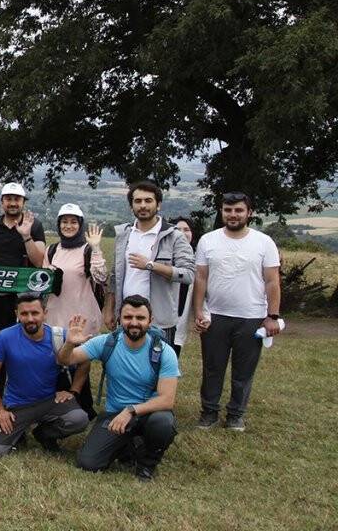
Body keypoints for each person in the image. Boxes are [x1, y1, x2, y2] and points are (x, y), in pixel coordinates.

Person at [59, 297, 180, 481]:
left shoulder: (163, 351)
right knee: (88, 463)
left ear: (150, 321)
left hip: (147, 414)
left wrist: (131, 411)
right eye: (128, 317)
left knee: (163, 422)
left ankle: (147, 464)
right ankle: (128, 445)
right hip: (114, 414)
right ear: (119, 319)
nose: (134, 322)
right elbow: (66, 360)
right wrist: (69, 344)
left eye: (140, 318)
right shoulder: (107, 342)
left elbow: (167, 400)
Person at [192, 192, 281, 432]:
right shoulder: (207, 241)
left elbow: (272, 281)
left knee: (244, 370)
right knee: (213, 367)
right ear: (221, 212)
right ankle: (209, 412)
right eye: (228, 210)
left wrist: (272, 316)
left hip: (252, 317)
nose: (233, 215)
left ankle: (236, 415)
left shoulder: (264, 243)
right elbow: (201, 277)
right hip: (215, 315)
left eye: (238, 210)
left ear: (249, 212)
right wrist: (198, 311)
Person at [0, 293, 89, 455]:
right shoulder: (5, 337)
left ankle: (43, 434)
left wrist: (73, 391)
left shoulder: (60, 336)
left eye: (35, 313)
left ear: (45, 314)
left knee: (79, 420)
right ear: (16, 314)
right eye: (24, 314)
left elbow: (85, 361)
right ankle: (19, 432)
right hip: (17, 405)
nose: (30, 318)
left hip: (50, 401)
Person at [106, 181, 195, 348]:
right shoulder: (124, 235)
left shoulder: (174, 236)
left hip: (159, 322)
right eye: (138, 201)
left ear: (158, 205)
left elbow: (189, 274)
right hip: (127, 318)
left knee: (158, 370)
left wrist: (151, 265)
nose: (143, 205)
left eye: (148, 200)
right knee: (126, 369)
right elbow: (114, 276)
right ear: (131, 206)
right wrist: (110, 309)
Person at [0, 182, 46, 357]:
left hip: (23, 297)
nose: (13, 203)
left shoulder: (35, 225)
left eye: (17, 199)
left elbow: (39, 262)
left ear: (23, 202)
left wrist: (26, 235)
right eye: (9, 199)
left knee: (23, 343)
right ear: (2, 202)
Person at [45, 203, 108, 332]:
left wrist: (96, 248)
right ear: (59, 224)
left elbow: (101, 277)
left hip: (83, 319)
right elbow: (44, 284)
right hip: (55, 317)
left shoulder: (88, 250)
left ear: (80, 225)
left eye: (74, 222)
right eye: (64, 222)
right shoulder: (51, 251)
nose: (68, 226)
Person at [169, 217, 206, 357]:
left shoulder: (199, 260)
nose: (182, 233)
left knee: (172, 357)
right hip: (161, 317)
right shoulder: (163, 258)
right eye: (178, 230)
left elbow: (203, 291)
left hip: (180, 319)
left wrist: (202, 315)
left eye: (187, 230)